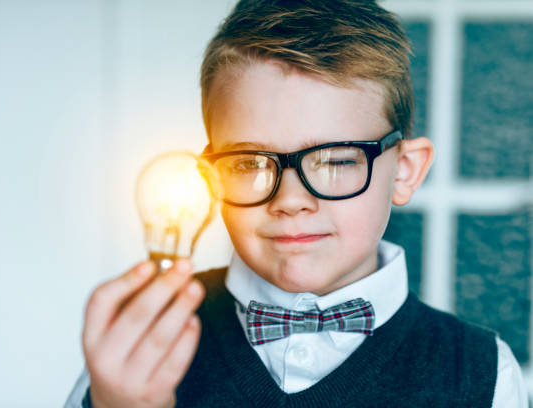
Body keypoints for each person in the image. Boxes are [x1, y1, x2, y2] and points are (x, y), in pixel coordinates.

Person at [64, 0, 528, 407]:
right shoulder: (136, 356)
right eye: (248, 163)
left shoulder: (482, 374)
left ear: (404, 172)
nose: (290, 201)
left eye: (334, 160)